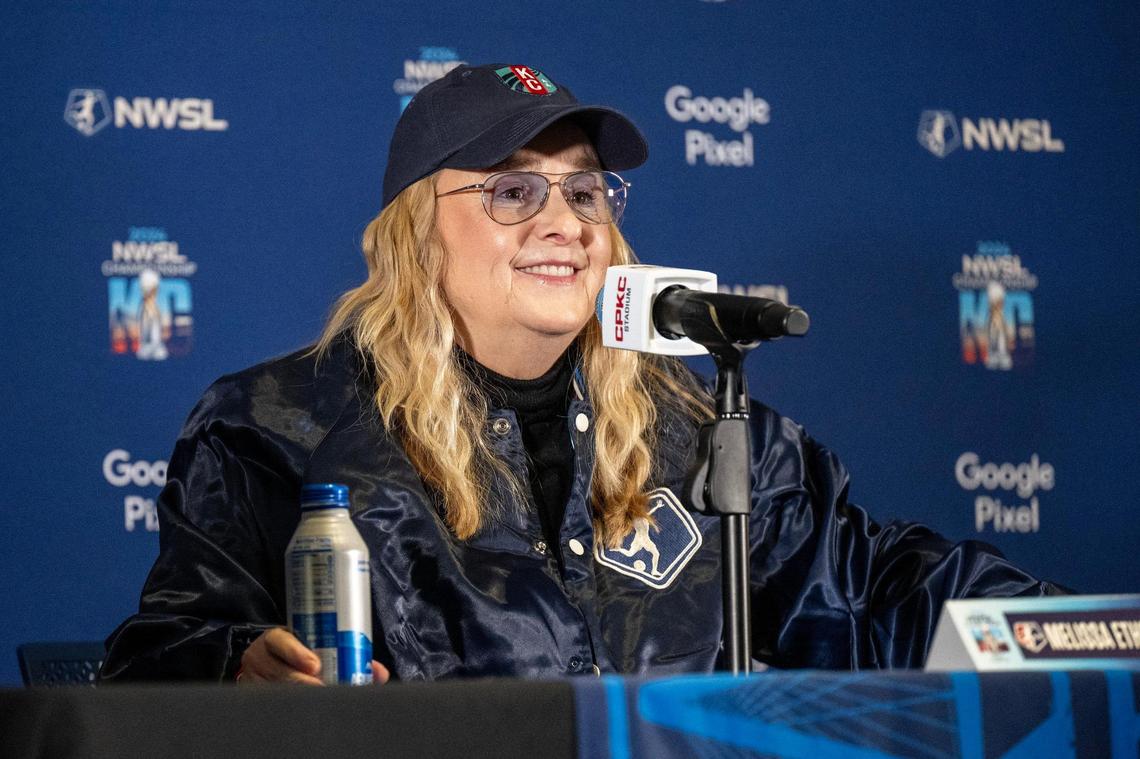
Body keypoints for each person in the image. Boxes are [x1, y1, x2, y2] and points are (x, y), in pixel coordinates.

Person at [99, 63, 1063, 685]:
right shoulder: (273, 425)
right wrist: (237, 666)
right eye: (514, 189)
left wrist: (1067, 627)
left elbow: (872, 589)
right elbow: (154, 659)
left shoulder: (704, 431)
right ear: (415, 232)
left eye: (585, 189)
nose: (565, 221)